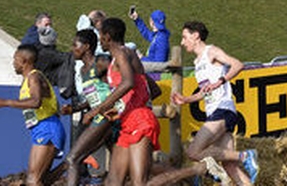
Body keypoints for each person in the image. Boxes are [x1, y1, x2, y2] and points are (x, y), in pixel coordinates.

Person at [170, 21, 259, 184]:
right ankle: (234, 167)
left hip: (223, 109)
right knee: (230, 166)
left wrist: (221, 81)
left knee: (193, 152)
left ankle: (246, 156)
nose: (182, 43)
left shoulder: (211, 51)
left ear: (195, 35)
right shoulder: (197, 63)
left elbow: (238, 65)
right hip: (215, 111)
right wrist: (186, 99)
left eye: (184, 37)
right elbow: (205, 92)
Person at [82, 17, 160, 186]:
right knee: (113, 181)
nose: (99, 40)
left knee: (139, 182)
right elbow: (153, 90)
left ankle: (195, 170)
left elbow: (128, 83)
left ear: (107, 37)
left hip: (140, 122)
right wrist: (122, 108)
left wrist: (97, 110)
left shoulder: (120, 53)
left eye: (100, 36)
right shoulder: (129, 55)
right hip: (128, 121)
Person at [0, 44, 66, 186]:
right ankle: (71, 164)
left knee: (33, 180)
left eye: (16, 59)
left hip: (47, 126)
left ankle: (73, 163)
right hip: (40, 128)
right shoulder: (28, 80)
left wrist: (6, 102)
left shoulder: (34, 77)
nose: (13, 63)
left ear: (25, 61)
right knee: (38, 180)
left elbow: (36, 101)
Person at [57, 29, 114, 186]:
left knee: (73, 158)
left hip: (107, 118)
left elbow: (120, 83)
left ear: (87, 47)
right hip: (102, 118)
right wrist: (74, 109)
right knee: (123, 167)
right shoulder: (82, 70)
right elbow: (95, 97)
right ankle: (175, 174)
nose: (72, 48)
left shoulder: (101, 63)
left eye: (75, 45)